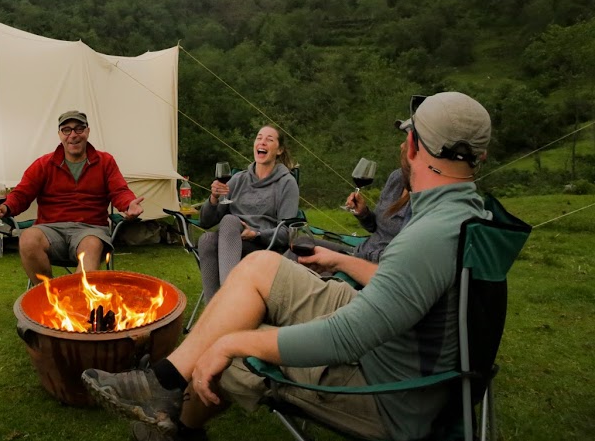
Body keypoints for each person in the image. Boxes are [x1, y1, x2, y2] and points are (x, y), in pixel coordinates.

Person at [82, 92, 493, 441]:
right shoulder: (467, 214)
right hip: (397, 342)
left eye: (406, 137)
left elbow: (346, 338)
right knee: (260, 267)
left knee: (228, 347)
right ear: (481, 156)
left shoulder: (429, 236)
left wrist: (232, 343)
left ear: (414, 146)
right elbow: (399, 292)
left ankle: (180, 429)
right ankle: (165, 380)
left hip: (390, 391)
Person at [0, 110, 145, 284]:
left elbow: (119, 191)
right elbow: (22, 193)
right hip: (50, 229)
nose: (73, 135)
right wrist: (6, 207)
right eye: (66, 130)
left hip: (90, 229)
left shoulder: (105, 161)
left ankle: (76, 298)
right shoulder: (44, 164)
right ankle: (48, 295)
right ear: (59, 134)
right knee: (28, 239)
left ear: (87, 131)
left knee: (91, 246)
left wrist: (129, 204)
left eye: (79, 129)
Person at [196, 125, 299, 301]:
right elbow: (206, 222)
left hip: (263, 246)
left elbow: (287, 233)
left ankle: (228, 300)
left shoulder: (286, 183)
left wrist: (256, 234)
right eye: (259, 138)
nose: (262, 142)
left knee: (229, 220)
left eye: (269, 139)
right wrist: (213, 198)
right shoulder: (238, 179)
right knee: (207, 239)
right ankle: (214, 308)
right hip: (229, 241)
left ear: (279, 150)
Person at [301, 150, 413, 284]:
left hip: (375, 270)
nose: (402, 146)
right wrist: (363, 213)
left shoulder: (423, 199)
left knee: (311, 281)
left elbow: (401, 260)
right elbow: (375, 227)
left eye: (409, 140)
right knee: (302, 245)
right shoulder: (397, 177)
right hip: (359, 253)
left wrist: (343, 261)